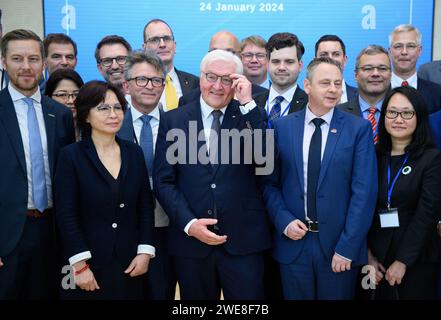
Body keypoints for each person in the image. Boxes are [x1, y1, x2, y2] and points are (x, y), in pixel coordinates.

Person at [154, 49, 271, 299]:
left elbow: (266, 161)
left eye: (227, 79)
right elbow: (164, 182)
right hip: (191, 245)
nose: (217, 86)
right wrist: (189, 224)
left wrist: (248, 104)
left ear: (238, 82)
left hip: (244, 244)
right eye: (211, 77)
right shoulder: (173, 121)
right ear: (200, 77)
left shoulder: (252, 116)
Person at [263, 57, 377, 300]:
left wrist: (348, 247)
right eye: (325, 83)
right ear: (307, 85)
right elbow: (268, 183)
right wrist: (283, 220)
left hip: (339, 248)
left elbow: (364, 194)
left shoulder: (358, 129)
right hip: (293, 244)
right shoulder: (279, 127)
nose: (333, 89)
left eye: (338, 83)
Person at [55, 80, 155, 299]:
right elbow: (66, 215)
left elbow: (145, 206)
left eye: (117, 107)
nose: (113, 114)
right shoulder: (70, 156)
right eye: (103, 108)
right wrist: (79, 264)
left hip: (130, 262)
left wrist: (145, 251)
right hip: (85, 265)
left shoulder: (133, 152)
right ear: (86, 115)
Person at [0, 29, 75, 299]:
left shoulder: (61, 114)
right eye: (17, 58)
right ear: (3, 61)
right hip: (7, 237)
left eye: (33, 59)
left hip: (52, 233)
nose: (26, 67)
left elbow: (67, 179)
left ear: (43, 64)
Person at [368, 86, 441, 299]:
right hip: (375, 258)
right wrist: (367, 255)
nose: (398, 119)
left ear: (419, 117)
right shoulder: (372, 154)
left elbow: (426, 214)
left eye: (407, 113)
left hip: (415, 258)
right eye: (392, 112)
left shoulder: (432, 159)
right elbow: (360, 206)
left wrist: (403, 261)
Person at [119, 50, 176, 300]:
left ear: (163, 86)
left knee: (161, 291)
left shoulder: (177, 124)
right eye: (141, 80)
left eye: (156, 80)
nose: (149, 86)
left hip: (167, 226)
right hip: (122, 226)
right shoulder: (110, 123)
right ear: (127, 85)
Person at [338, 45, 391, 143]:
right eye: (368, 68)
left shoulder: (400, 114)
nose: (375, 74)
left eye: (382, 68)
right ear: (355, 75)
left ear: (391, 74)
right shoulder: (337, 113)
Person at [143, 19, 199, 111]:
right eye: (155, 40)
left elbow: (195, 121)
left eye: (167, 38)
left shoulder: (195, 83)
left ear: (175, 45)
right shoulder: (137, 84)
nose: (162, 44)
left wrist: (192, 126)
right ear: (144, 48)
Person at [254, 32, 308, 125]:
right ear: (267, 64)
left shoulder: (311, 104)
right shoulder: (252, 103)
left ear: (300, 66)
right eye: (276, 61)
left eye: (289, 62)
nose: (282, 67)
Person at [389, 24, 441, 114]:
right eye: (398, 46)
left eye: (410, 46)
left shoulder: (437, 93)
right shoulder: (377, 90)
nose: (404, 52)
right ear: (390, 51)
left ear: (419, 51)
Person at [315, 34, 358, 103]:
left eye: (336, 54)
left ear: (345, 60)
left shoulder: (361, 97)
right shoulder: (305, 98)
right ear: (315, 62)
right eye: (324, 55)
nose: (330, 59)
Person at [45, 68, 84, 141]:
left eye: (76, 94)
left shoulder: (93, 129)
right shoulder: (43, 131)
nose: (71, 101)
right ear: (48, 97)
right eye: (62, 95)